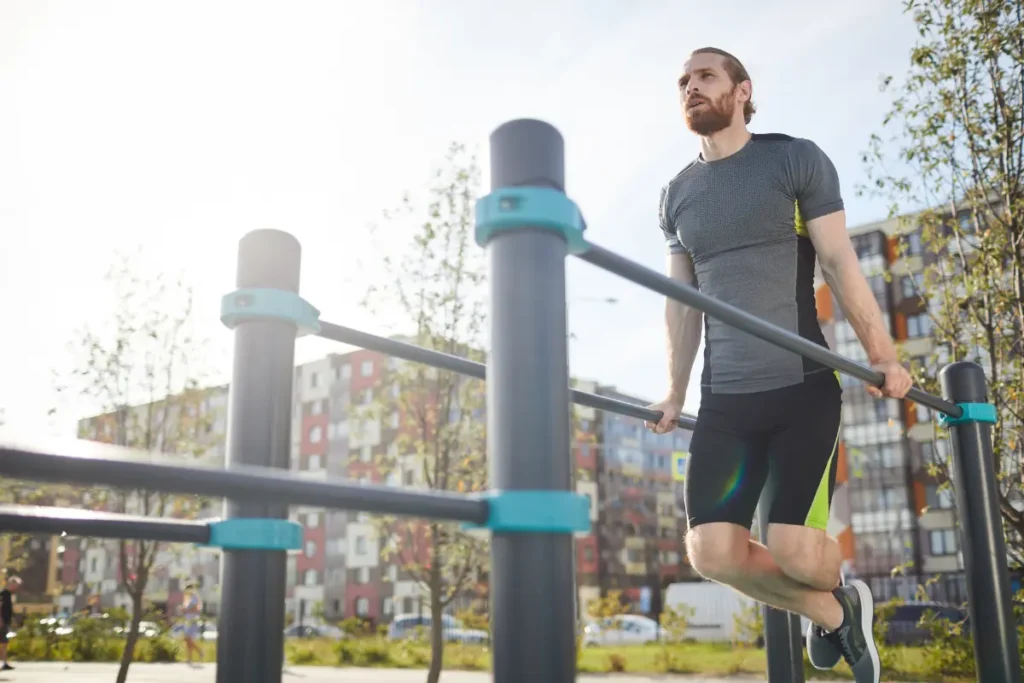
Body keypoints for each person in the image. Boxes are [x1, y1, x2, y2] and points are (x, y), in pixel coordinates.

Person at [646, 47, 913, 683]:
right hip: (726, 400)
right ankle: (835, 612)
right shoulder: (675, 195)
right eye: (683, 81)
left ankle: (831, 591)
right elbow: (680, 306)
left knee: (798, 551)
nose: (691, 87)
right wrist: (674, 393)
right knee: (713, 552)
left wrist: (884, 356)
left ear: (742, 90)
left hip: (800, 389)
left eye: (705, 76)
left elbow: (839, 262)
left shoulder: (793, 159)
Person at [0, 577, 22, 671]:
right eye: (16, 585)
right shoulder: (3, 594)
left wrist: (13, 619)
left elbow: (9, 610)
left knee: (4, 642)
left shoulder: (9, 595)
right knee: (3, 642)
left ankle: (5, 663)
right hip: (1, 622)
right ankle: (4, 662)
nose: (16, 588)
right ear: (11, 584)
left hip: (5, 622)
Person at [180, 583, 204, 666]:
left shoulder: (194, 597)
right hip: (188, 620)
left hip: (193, 620)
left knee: (187, 639)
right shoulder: (188, 598)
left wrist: (186, 610)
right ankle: (189, 658)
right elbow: (187, 609)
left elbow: (195, 608)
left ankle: (200, 651)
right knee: (187, 640)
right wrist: (183, 610)